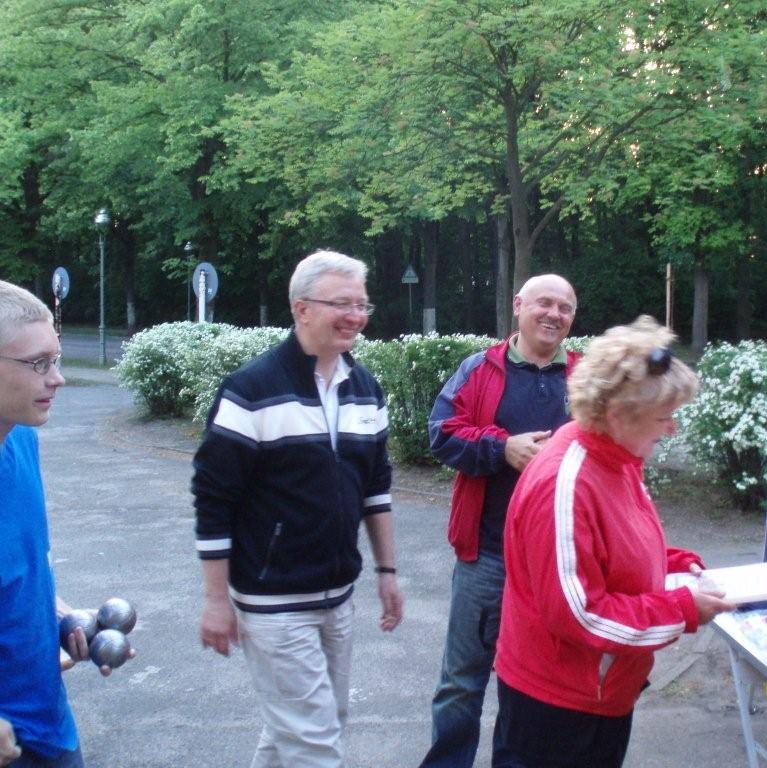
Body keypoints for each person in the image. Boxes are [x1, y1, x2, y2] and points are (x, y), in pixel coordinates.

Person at [491, 315, 734, 768]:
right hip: (559, 706)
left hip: (600, 691)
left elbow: (611, 548)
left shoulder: (617, 455)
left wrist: (674, 565)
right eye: (664, 417)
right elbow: (580, 615)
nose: (672, 429)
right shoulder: (566, 483)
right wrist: (682, 610)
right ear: (618, 415)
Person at [193, 250, 403, 768]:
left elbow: (376, 487)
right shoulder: (251, 390)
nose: (355, 316)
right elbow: (214, 499)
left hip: (337, 595)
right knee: (313, 743)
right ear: (302, 308)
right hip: (273, 600)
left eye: (362, 305)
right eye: (342, 304)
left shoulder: (365, 389)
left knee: (310, 725)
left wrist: (388, 572)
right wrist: (216, 600)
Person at [420, 274, 581, 767]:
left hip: (555, 561)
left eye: (566, 307)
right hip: (487, 555)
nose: (554, 314)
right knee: (461, 681)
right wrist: (502, 448)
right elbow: (441, 432)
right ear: (518, 306)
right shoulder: (480, 368)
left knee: (532, 684)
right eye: (544, 303)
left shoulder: (587, 376)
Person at [0, 280, 122, 768]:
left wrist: (60, 615)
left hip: (48, 724)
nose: (58, 379)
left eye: (56, 359)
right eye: (38, 364)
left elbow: (23, 566)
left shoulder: (20, 438)